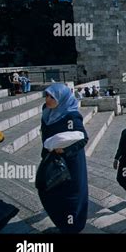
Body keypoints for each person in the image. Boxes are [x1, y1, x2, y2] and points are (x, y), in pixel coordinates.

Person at [38, 83, 89, 233]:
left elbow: (83, 138)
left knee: (70, 195)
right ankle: (63, 223)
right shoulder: (46, 111)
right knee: (47, 191)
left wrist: (64, 151)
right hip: (51, 158)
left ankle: (72, 227)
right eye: (46, 95)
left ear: (61, 98)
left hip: (71, 161)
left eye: (51, 97)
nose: (47, 99)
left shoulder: (71, 115)